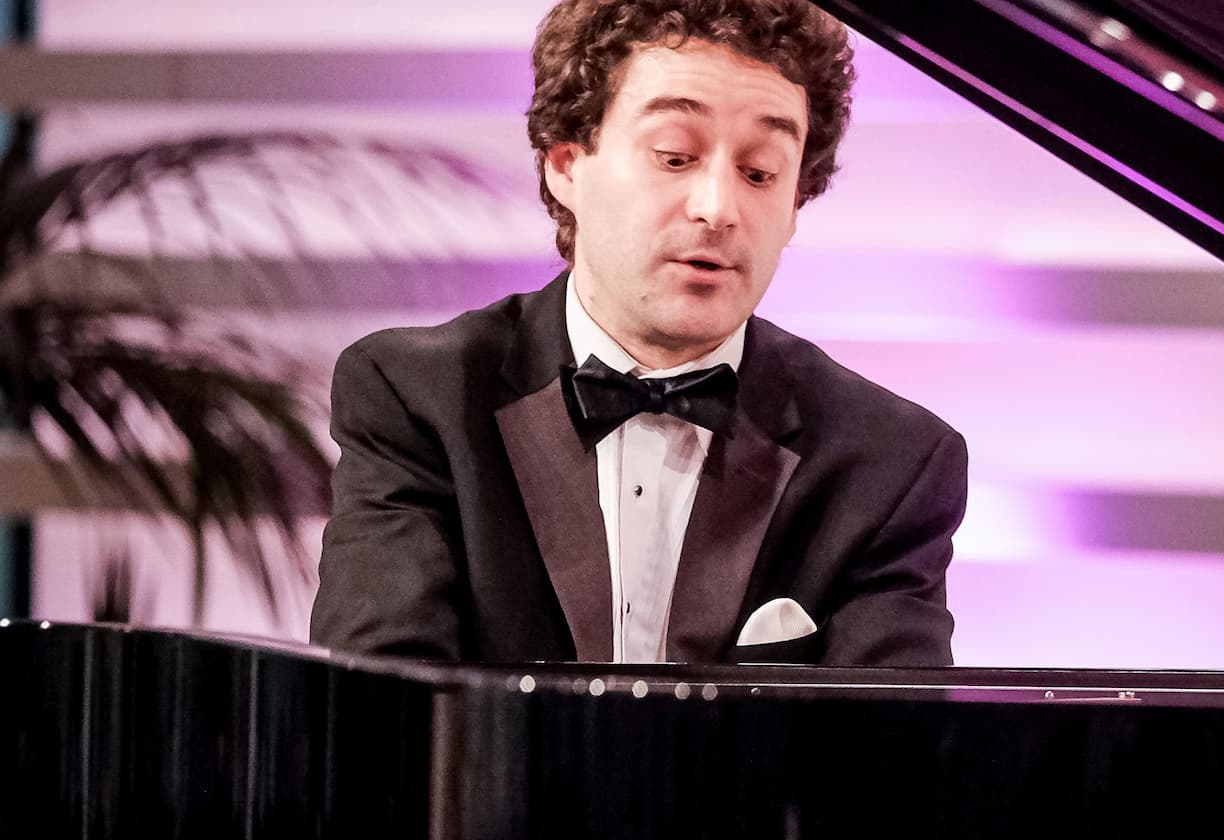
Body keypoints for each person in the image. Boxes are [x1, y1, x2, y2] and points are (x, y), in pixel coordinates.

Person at [309, 0, 966, 666]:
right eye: (675, 156)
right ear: (566, 164)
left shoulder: (891, 462)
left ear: (796, 203)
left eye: (760, 172)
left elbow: (894, 757)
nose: (717, 208)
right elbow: (378, 718)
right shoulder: (418, 397)